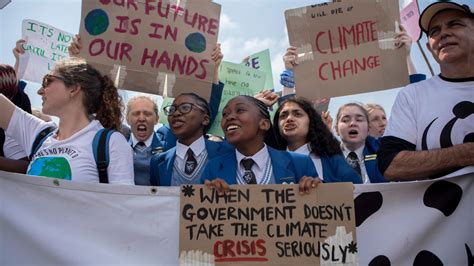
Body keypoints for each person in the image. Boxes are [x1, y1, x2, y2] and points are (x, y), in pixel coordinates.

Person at [378, 2, 474, 181]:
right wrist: (466, 153)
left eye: (455, 24)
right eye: (434, 32)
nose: (443, 33)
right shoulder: (412, 95)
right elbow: (390, 164)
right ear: (430, 48)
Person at [0, 57, 134, 184]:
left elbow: (122, 204)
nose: (40, 91)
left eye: (48, 81)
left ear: (74, 89)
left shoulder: (111, 142)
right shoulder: (39, 135)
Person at [202, 95, 320, 195]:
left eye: (240, 110)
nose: (229, 117)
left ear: (264, 124)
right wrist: (206, 195)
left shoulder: (300, 163)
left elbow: (319, 210)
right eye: (225, 114)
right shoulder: (213, 167)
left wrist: (314, 189)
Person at [149, 92, 232, 186]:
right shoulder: (158, 162)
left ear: (205, 119)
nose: (176, 113)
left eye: (185, 108)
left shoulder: (227, 152)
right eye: (172, 110)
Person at [274, 97, 361, 184]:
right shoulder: (271, 159)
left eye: (297, 114)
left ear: (311, 121)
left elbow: (355, 187)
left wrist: (321, 188)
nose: (289, 119)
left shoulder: (331, 157)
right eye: (283, 116)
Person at [335, 103, 385, 183]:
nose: (353, 124)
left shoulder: (381, 151)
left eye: (359, 120)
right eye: (345, 120)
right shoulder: (326, 158)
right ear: (336, 129)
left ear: (368, 128)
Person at [126, 95, 164, 186]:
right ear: (127, 119)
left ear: (157, 119)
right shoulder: (117, 149)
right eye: (136, 113)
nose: (142, 118)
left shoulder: (168, 149)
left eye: (147, 114)